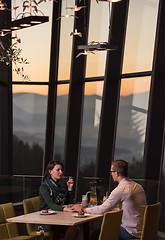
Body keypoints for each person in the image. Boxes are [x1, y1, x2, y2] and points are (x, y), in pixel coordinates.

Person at [71, 159, 147, 240]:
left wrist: (82, 209)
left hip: (129, 232)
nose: (111, 174)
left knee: (96, 234)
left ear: (117, 173)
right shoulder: (138, 186)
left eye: (111, 171)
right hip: (141, 230)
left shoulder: (121, 189)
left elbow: (102, 210)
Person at [38, 160, 79, 240]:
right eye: (58, 170)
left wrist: (70, 189)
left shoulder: (60, 185)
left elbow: (67, 203)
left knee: (75, 229)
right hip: (46, 221)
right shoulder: (44, 187)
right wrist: (66, 209)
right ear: (50, 171)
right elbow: (51, 205)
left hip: (58, 217)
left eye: (61, 170)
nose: (61, 172)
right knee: (73, 228)